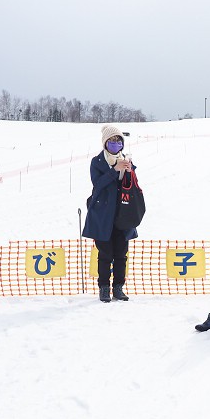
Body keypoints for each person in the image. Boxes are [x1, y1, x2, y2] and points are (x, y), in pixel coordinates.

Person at [82, 125, 137, 303]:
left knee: (121, 254)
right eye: (112, 141)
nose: (116, 144)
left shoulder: (126, 160)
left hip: (123, 216)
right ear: (105, 143)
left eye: (118, 140)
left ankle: (119, 288)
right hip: (103, 216)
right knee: (105, 254)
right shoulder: (97, 162)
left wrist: (129, 172)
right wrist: (114, 171)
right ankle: (104, 288)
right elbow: (98, 185)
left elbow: (132, 186)